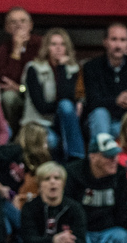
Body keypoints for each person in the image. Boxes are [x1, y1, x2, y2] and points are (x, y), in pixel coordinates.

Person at [65, 133, 127, 243]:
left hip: (108, 232)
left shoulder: (120, 174)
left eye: (115, 156)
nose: (114, 161)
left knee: (122, 237)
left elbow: (122, 211)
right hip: (83, 231)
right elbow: (68, 211)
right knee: (78, 240)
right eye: (108, 156)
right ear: (93, 156)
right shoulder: (73, 173)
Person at [82, 23, 127, 139]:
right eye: (114, 39)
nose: (118, 45)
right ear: (105, 42)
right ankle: (102, 155)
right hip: (103, 122)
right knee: (100, 113)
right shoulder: (91, 67)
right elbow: (92, 102)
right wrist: (116, 100)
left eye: (122, 40)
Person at [20, 28, 84, 160]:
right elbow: (41, 106)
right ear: (46, 47)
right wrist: (69, 105)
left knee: (66, 105)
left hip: (64, 122)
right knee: (53, 140)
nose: (58, 48)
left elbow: (68, 97)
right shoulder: (34, 68)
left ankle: (76, 160)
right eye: (54, 44)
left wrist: (62, 69)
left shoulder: (74, 70)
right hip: (40, 122)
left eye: (62, 44)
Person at [0, 7, 41, 126]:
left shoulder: (42, 45)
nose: (19, 25)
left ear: (30, 25)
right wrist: (16, 51)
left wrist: (21, 88)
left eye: (23, 21)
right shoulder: (2, 51)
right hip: (19, 95)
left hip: (39, 94)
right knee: (8, 97)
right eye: (13, 22)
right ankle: (13, 135)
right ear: (7, 28)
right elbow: (5, 81)